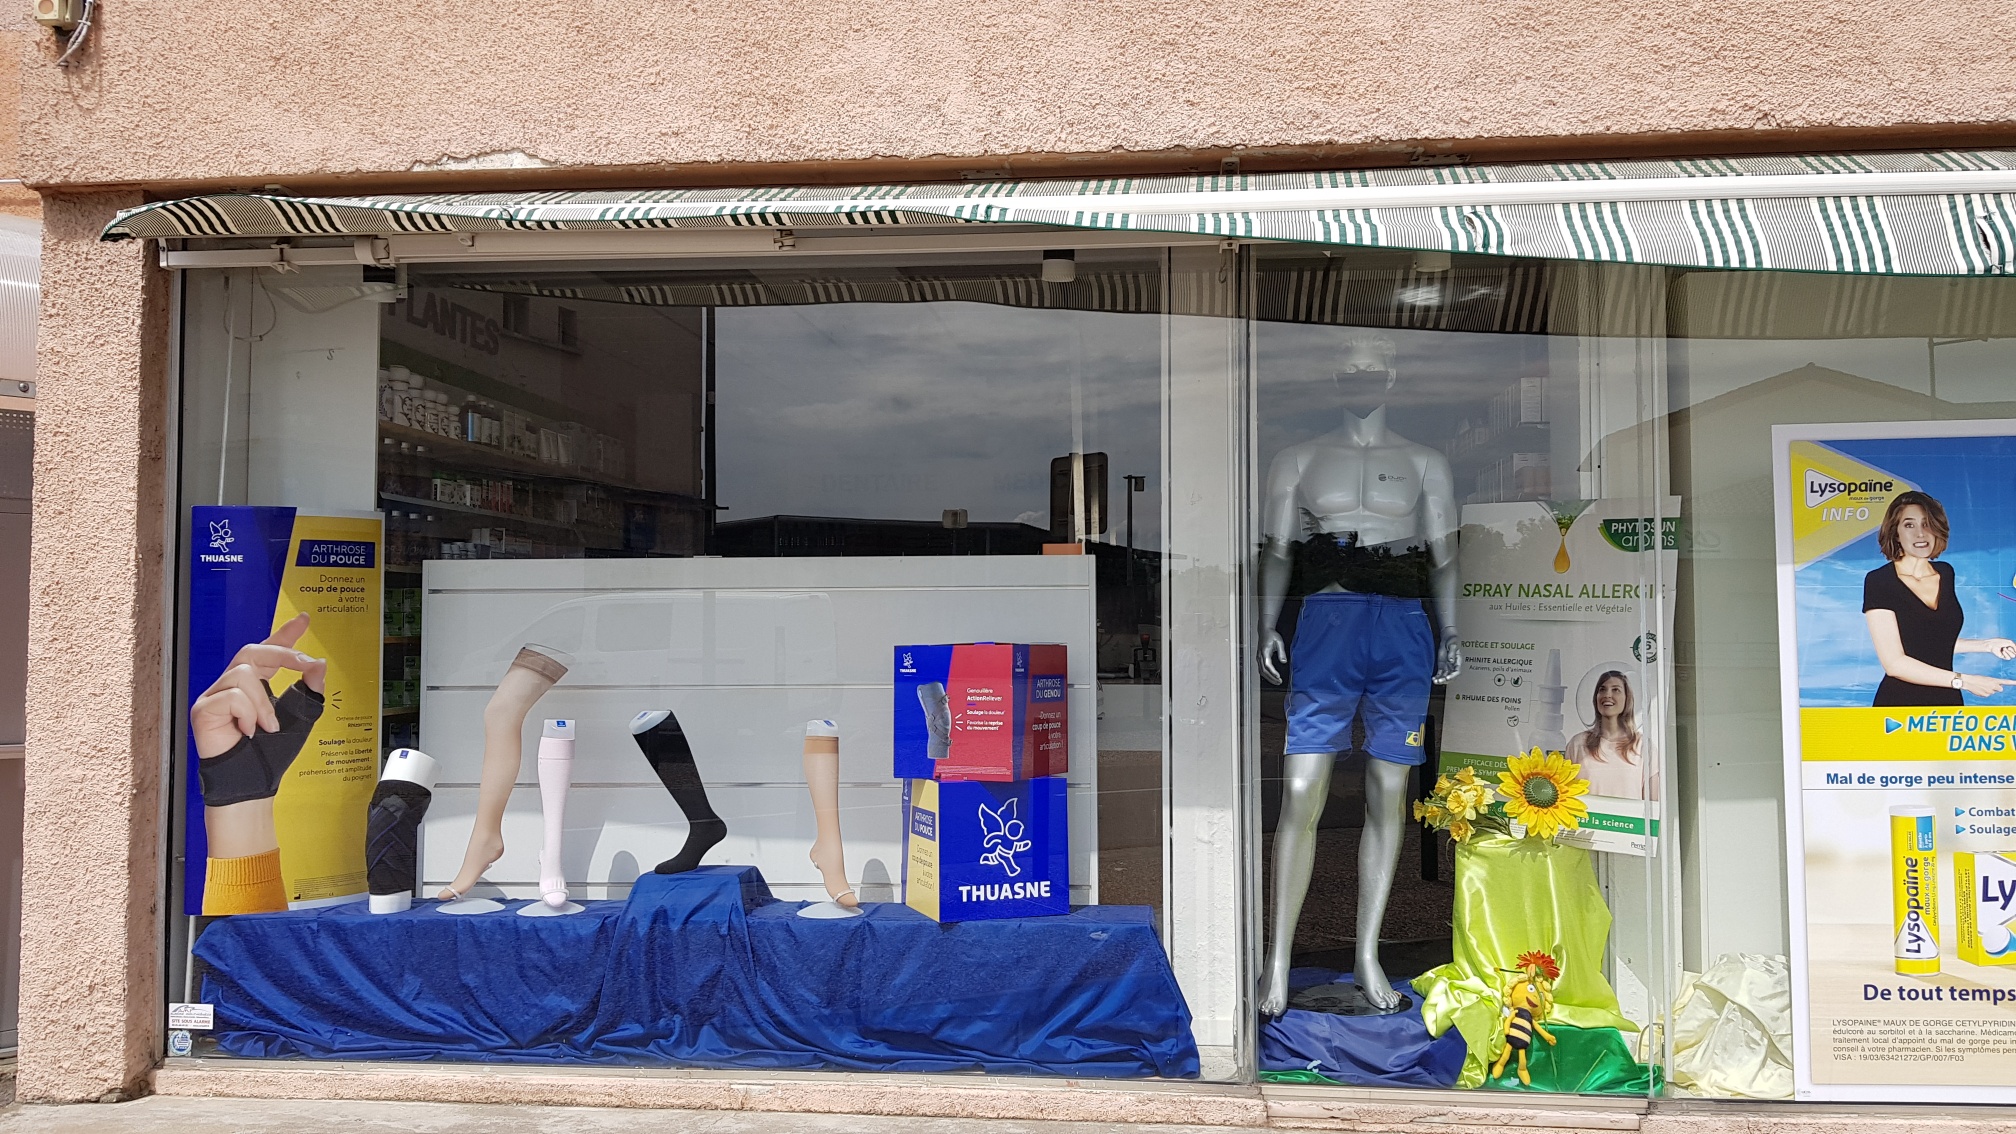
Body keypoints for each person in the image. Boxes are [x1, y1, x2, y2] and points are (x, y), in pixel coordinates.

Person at [1861, 491, 2014, 707]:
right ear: (1895, 533)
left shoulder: (1945, 573)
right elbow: (1894, 663)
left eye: (1926, 524)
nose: (1920, 534)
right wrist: (1965, 681)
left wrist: (1987, 645)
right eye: (1909, 525)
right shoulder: (1880, 581)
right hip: (1899, 705)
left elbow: (1929, 643)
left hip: (1947, 701)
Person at [1566, 671, 1652, 800]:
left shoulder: (1643, 746)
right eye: (1602, 689)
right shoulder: (1578, 743)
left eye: (1616, 690)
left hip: (1628, 820)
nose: (1607, 695)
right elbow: (1565, 795)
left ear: (1627, 698)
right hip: (1589, 820)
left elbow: (1654, 806)